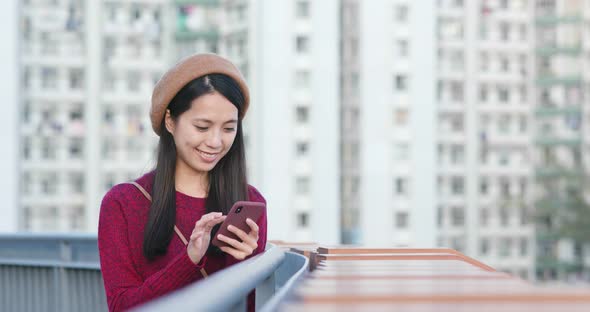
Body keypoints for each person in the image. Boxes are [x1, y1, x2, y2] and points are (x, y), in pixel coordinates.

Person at [98, 53, 267, 312]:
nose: (215, 142)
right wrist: (188, 261)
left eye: (228, 128)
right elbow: (122, 307)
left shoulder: (249, 203)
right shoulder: (122, 204)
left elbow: (252, 306)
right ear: (169, 121)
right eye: (202, 127)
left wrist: (243, 264)